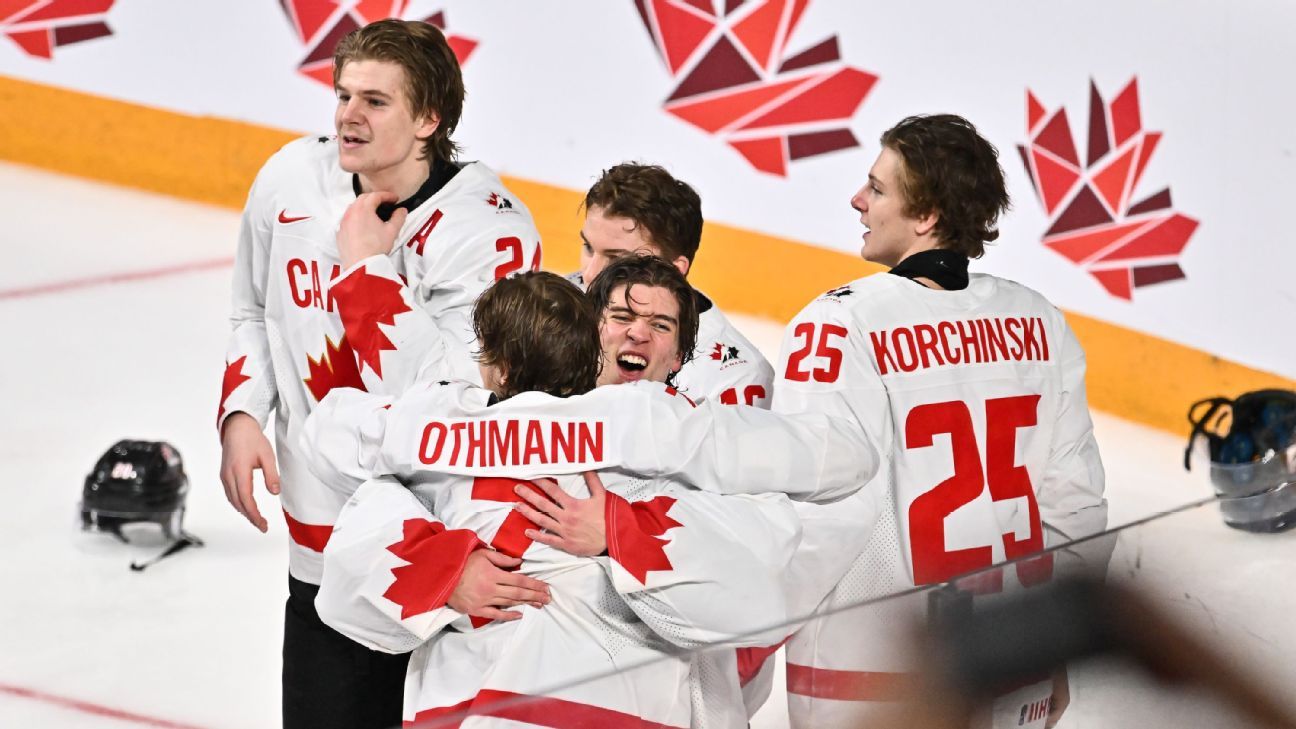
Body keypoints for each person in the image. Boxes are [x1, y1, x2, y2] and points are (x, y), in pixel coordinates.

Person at [299, 259, 876, 728]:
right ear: (590, 336)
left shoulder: (439, 423)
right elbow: (834, 471)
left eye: (661, 326)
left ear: (680, 358)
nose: (637, 332)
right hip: (528, 698)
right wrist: (448, 571)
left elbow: (332, 436)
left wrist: (619, 530)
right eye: (621, 315)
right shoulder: (667, 431)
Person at [215, 18, 540, 729]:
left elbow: (450, 406)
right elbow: (251, 310)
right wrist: (243, 412)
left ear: (429, 117)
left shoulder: (489, 232)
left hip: (433, 553)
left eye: (375, 101)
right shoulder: (290, 178)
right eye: (343, 95)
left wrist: (368, 270)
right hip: (319, 539)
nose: (347, 117)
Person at [770, 114, 1110, 729]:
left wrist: (740, 624)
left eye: (876, 188)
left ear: (925, 217)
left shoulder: (840, 323)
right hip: (1010, 668)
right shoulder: (1040, 320)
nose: (858, 199)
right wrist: (1053, 644)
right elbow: (1075, 505)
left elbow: (815, 512)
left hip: (871, 678)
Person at [575, 163, 775, 406]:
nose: (589, 275)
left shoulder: (735, 378)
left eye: (617, 259)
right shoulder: (553, 305)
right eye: (588, 248)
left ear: (674, 269)